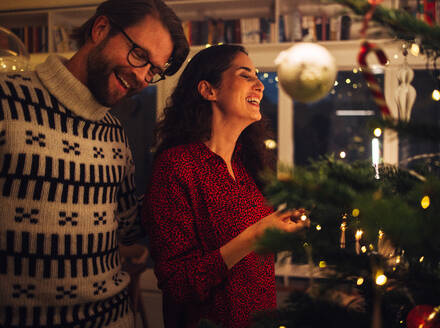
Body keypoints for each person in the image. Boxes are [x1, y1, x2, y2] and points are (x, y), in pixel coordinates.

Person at [0, 0, 189, 327]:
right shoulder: (7, 100)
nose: (144, 78)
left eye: (153, 71)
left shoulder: (115, 133)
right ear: (100, 30)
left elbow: (130, 226)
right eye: (140, 56)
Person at [142, 44, 308, 328]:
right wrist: (254, 236)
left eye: (257, 76)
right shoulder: (177, 166)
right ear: (209, 90)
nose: (260, 85)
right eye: (246, 75)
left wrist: (278, 228)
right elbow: (178, 284)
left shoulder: (248, 167)